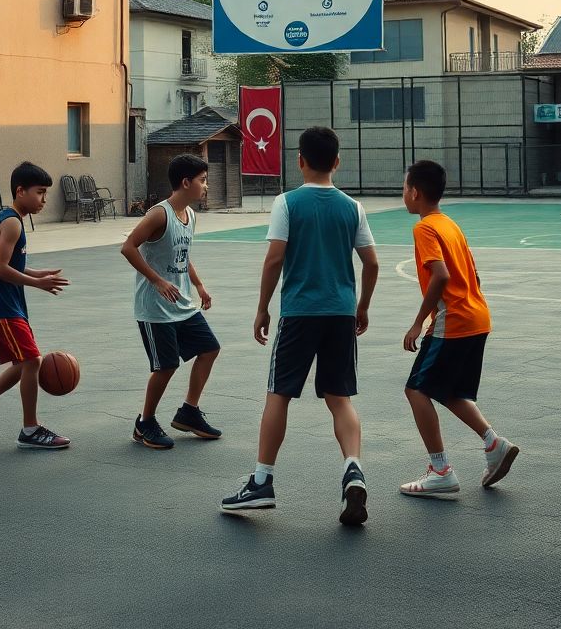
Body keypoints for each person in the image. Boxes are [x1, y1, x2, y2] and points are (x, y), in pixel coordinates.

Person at [220, 126, 379, 526]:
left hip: (300, 313)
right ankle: (354, 468)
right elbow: (372, 263)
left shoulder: (287, 202)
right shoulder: (353, 207)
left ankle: (261, 482)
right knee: (339, 398)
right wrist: (361, 306)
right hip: (340, 313)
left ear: (300, 160)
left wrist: (262, 309)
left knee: (279, 394)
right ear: (337, 162)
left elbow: (274, 260)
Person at [398, 160, 518, 497]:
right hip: (478, 316)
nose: (403, 194)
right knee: (450, 391)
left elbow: (440, 275)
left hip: (455, 320)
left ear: (415, 192)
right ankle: (494, 444)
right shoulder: (450, 223)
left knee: (416, 390)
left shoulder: (424, 229)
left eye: (405, 188)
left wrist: (419, 321)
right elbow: (474, 275)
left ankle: (441, 470)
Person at [0, 161, 71, 449]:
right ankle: (30, 430)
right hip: (0, 303)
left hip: (7, 302)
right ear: (20, 191)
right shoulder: (11, 222)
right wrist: (38, 284)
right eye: (40, 192)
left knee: (26, 362)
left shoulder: (12, 219)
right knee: (32, 360)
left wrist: (37, 273)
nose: (44, 199)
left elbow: (11, 264)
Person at [120, 153, 221, 449]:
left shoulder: (190, 216)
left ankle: (189, 412)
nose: (206, 187)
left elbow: (183, 255)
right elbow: (128, 247)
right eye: (202, 181)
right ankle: (144, 423)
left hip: (182, 303)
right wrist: (157, 280)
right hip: (154, 308)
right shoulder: (158, 214)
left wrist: (199, 285)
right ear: (186, 182)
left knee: (210, 349)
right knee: (165, 366)